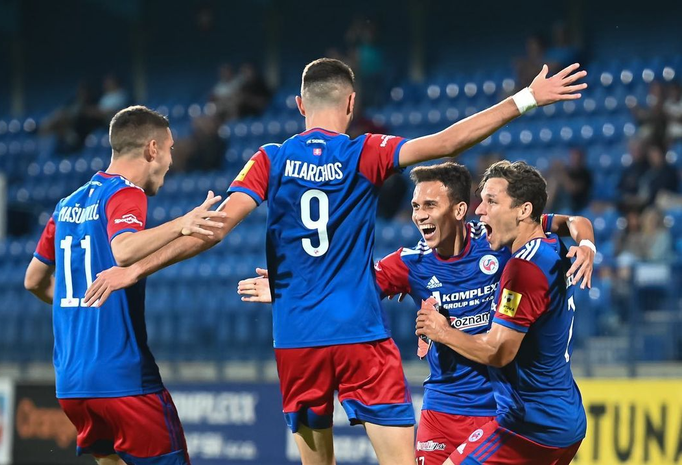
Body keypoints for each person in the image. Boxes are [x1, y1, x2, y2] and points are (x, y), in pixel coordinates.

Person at [83, 58, 587, 465]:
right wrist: (526, 98)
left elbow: (213, 230)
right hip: (359, 336)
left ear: (300, 104)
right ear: (351, 103)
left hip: (297, 339)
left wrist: (136, 267)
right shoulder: (364, 151)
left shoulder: (269, 159)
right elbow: (448, 142)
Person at [237, 161, 595, 465]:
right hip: (443, 406)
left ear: (458, 210)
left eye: (429, 205)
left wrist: (586, 244)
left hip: (499, 409)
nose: (420, 215)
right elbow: (350, 287)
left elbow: (571, 221)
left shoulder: (499, 240)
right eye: (415, 206)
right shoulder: (412, 263)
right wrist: (293, 291)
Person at [23, 105, 225, 465]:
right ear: (152, 149)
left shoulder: (66, 204)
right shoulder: (126, 193)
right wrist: (184, 221)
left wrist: (75, 302)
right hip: (124, 381)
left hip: (72, 384)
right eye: (170, 149)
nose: (170, 160)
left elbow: (33, 280)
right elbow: (124, 250)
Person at [416, 160, 587, 464]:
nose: (479, 210)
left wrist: (441, 331)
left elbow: (498, 351)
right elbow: (573, 220)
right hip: (565, 419)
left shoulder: (522, 269)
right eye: (481, 200)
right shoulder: (549, 242)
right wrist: (587, 244)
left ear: (523, 210)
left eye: (491, 201)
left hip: (530, 427)